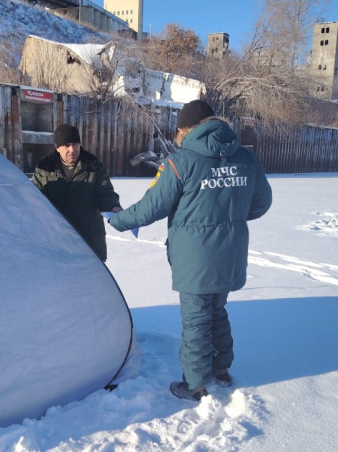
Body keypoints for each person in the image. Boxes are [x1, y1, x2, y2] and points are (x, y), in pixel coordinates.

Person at [109, 100, 272, 401]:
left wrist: (118, 220)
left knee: (197, 318)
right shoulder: (247, 158)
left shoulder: (180, 162)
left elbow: (150, 208)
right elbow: (261, 203)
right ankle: (221, 369)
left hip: (196, 257)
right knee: (216, 310)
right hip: (231, 254)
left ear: (185, 130)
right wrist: (228, 217)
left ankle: (195, 384)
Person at [32, 124, 121, 262]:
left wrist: (113, 206)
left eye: (75, 144)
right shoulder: (45, 167)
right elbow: (34, 199)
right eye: (66, 145)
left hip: (89, 238)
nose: (72, 149)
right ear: (57, 147)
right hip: (56, 240)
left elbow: (105, 193)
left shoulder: (93, 165)